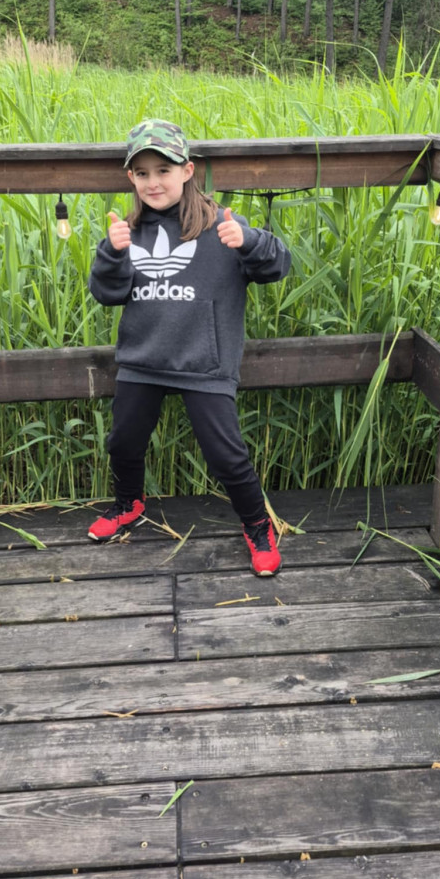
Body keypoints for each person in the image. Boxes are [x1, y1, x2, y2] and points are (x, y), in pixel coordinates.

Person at [87, 119, 292, 576]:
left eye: (164, 170)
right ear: (130, 178)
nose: (153, 182)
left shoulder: (223, 225)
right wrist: (112, 254)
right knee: (123, 441)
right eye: (142, 173)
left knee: (226, 455)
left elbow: (278, 266)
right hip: (143, 359)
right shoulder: (128, 231)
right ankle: (128, 503)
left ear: (187, 170)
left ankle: (258, 525)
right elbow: (106, 294)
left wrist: (250, 241)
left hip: (205, 363)